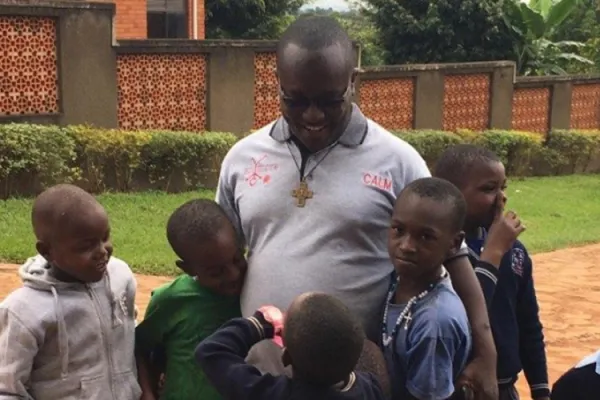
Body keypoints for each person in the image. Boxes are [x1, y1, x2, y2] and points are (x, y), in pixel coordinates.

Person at [216, 15, 497, 399]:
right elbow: (220, 267)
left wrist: (486, 355)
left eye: (330, 100)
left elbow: (454, 258)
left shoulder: (398, 162)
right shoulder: (241, 159)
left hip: (353, 388)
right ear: (276, 82)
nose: (312, 116)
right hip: (261, 381)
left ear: (353, 81)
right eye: (295, 99)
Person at [0, 184, 141, 399]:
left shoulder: (120, 277)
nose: (103, 252)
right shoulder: (24, 311)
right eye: (86, 246)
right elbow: (8, 388)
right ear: (47, 251)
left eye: (105, 237)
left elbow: (129, 334)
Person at [434, 144, 550, 400]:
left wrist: (541, 390)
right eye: (488, 189)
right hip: (461, 388)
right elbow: (466, 316)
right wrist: (493, 253)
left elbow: (528, 323)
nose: (501, 199)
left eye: (503, 188)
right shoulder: (438, 253)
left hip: (505, 388)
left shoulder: (514, 251)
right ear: (450, 193)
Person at [135, 199, 247, 400]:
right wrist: (148, 391)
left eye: (238, 258)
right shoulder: (171, 300)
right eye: (216, 272)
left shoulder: (251, 290)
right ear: (188, 269)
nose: (233, 274)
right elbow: (141, 348)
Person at [195, 292, 386, 399]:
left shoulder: (271, 394)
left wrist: (257, 325)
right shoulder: (370, 389)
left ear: (285, 357)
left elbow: (211, 351)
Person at [383, 177, 472, 400]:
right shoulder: (397, 281)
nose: (406, 246)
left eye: (425, 237)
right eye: (398, 230)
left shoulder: (434, 323)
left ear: (454, 243)